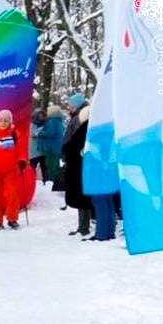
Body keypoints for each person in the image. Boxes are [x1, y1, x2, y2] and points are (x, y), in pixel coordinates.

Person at [62, 98, 93, 236]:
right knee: (83, 197)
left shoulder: (83, 127)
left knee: (83, 197)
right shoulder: (81, 123)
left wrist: (67, 150)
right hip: (79, 165)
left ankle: (84, 226)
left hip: (80, 166)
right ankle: (83, 225)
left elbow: (73, 144)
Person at [39, 104, 65, 183]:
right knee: (55, 165)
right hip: (57, 147)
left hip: (51, 148)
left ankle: (53, 181)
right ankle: (59, 180)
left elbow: (50, 133)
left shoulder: (52, 121)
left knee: (51, 166)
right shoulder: (59, 120)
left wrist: (40, 132)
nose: (47, 112)